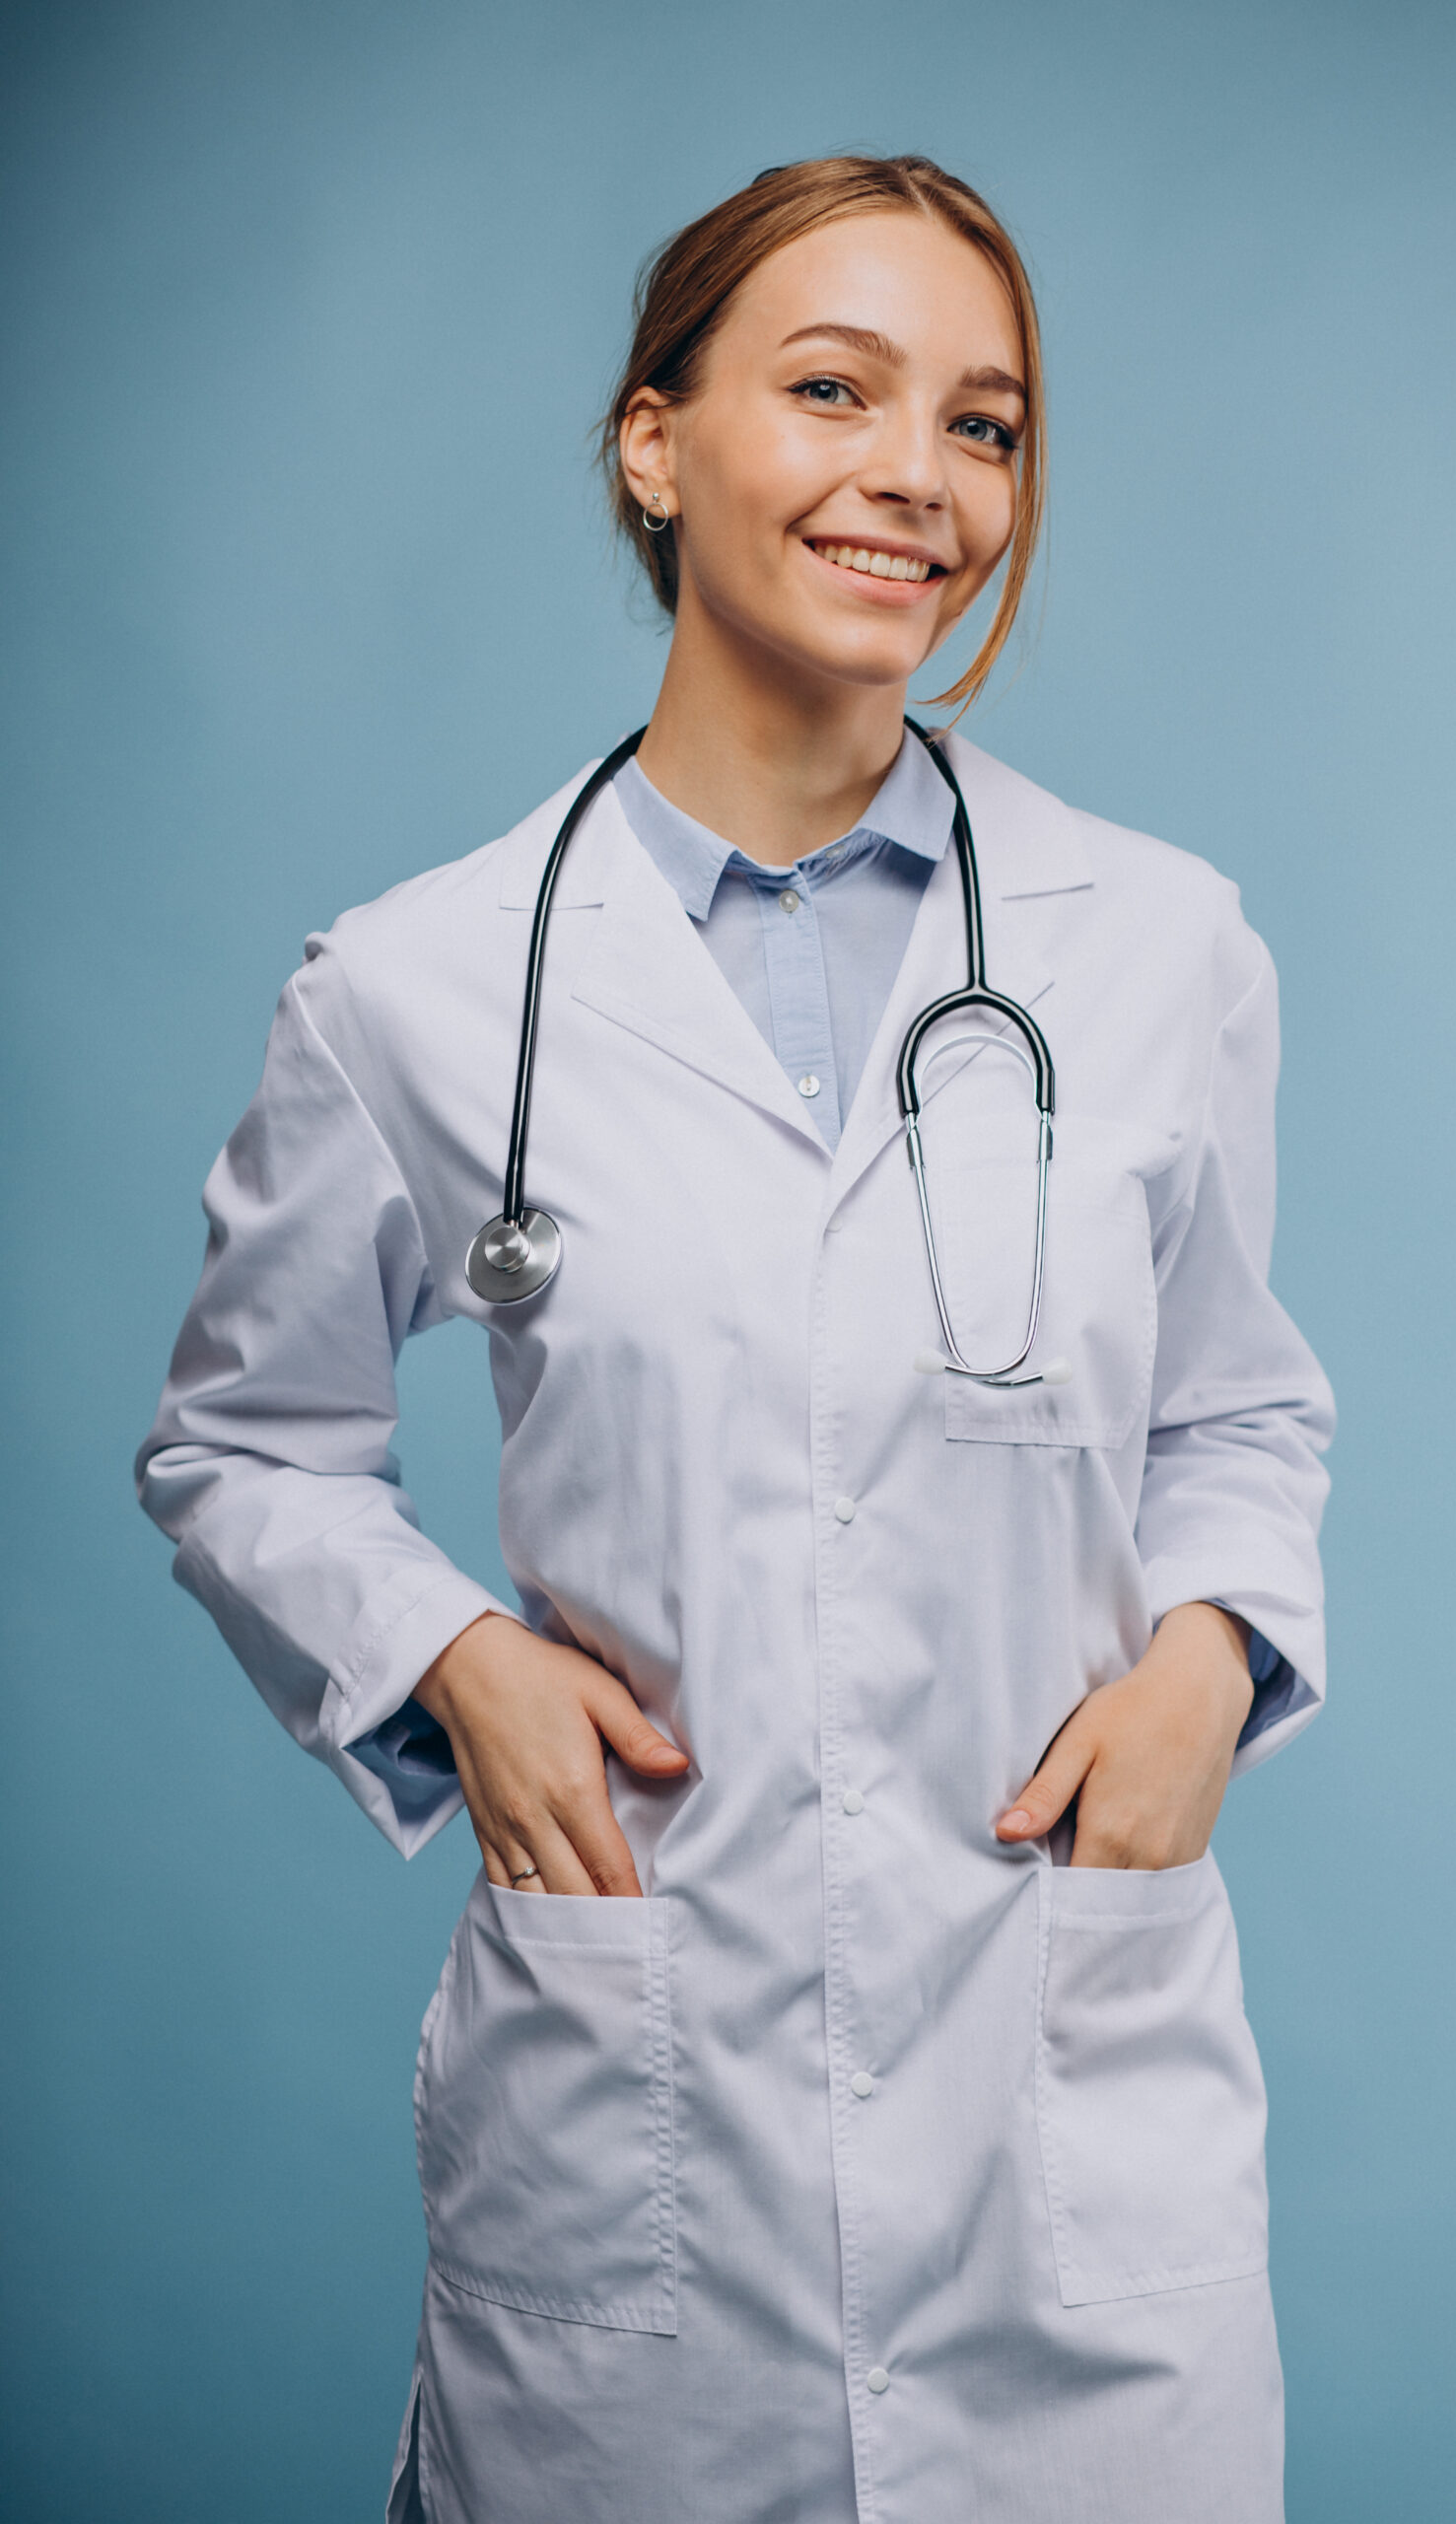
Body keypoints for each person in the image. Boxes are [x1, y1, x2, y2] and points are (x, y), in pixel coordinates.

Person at [137, 154, 1334, 2524]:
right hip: (638, 2116)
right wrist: (450, 1659)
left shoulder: (1155, 942)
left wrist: (1207, 1657)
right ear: (650, 441)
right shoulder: (417, 982)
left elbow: (1235, 1404)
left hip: (1066, 2109)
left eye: (982, 424)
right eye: (830, 387)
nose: (921, 474)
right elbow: (242, 1443)